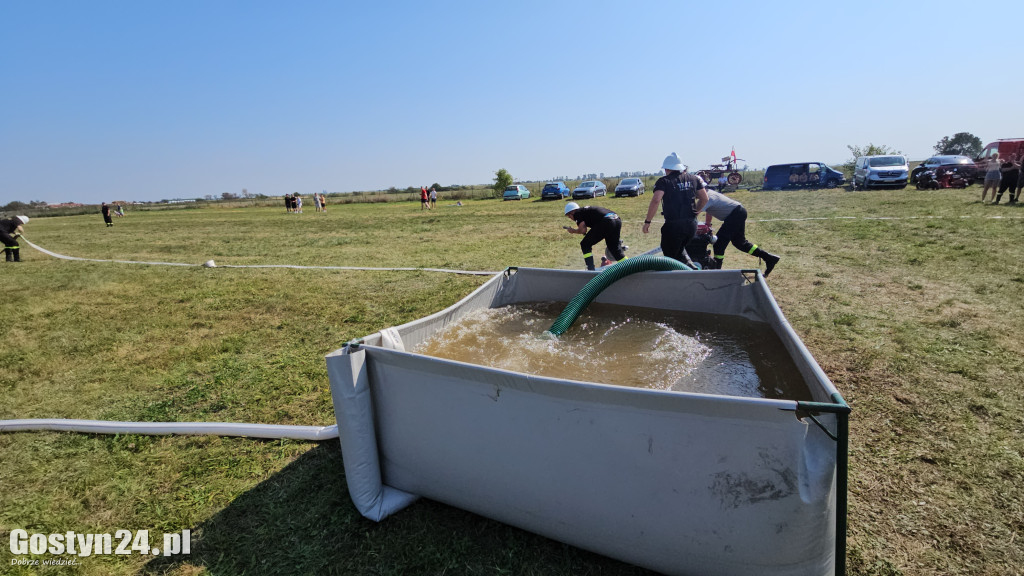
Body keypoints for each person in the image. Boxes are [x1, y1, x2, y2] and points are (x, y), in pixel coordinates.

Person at [642, 152, 709, 268]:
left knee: (670, 258)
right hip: (691, 225)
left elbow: (656, 200)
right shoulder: (694, 179)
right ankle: (690, 267)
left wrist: (647, 221)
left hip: (674, 226)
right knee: (679, 250)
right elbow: (704, 198)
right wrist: (696, 213)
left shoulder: (664, 181)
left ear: (667, 168)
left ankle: (677, 280)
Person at [700, 189, 781, 277]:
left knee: (719, 243)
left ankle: (717, 272)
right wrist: (708, 224)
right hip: (738, 212)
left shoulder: (707, 197)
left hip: (735, 214)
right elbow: (709, 209)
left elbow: (695, 212)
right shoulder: (708, 193)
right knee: (740, 243)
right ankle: (769, 258)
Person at [563, 202, 627, 270]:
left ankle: (590, 269)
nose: (570, 217)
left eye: (569, 215)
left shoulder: (577, 213)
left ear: (573, 211)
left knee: (585, 244)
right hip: (616, 219)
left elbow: (583, 230)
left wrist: (573, 231)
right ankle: (628, 265)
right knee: (614, 248)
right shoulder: (585, 211)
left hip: (607, 221)